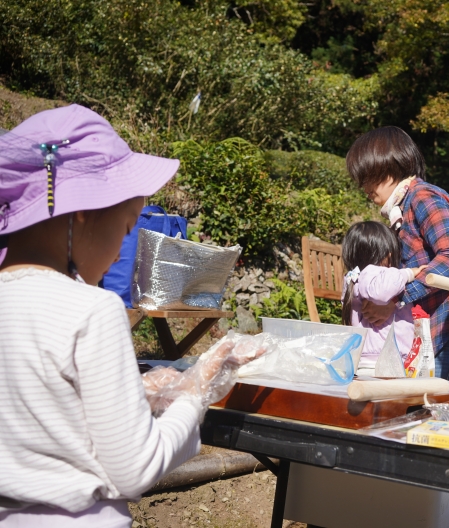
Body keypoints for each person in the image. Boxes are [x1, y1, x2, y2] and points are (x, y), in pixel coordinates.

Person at [0, 105, 257, 527]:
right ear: (82, 208)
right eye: (126, 228)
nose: (123, 251)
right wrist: (196, 394)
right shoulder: (92, 308)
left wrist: (139, 390)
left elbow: (43, 412)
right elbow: (136, 469)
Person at [345, 126, 449, 385]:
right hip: (432, 339)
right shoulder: (399, 211)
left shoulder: (421, 197)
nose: (362, 186)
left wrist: (396, 297)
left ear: (389, 165)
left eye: (366, 175)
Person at [341, 221, 425, 375]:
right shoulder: (372, 272)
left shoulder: (353, 278)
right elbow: (382, 293)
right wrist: (407, 273)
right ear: (386, 253)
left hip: (370, 359)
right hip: (384, 360)